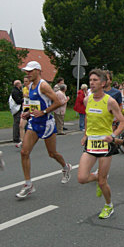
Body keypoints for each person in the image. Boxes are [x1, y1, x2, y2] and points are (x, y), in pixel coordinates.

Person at [16, 61, 72, 199]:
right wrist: (27, 112)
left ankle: (65, 166)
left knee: (52, 154)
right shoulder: (29, 86)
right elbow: (33, 103)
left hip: (46, 123)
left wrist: (44, 111)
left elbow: (58, 102)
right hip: (34, 123)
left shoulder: (44, 85)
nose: (27, 73)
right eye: (26, 71)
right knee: (24, 152)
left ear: (38, 71)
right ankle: (28, 185)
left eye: (30, 71)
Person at [78, 69, 124, 219]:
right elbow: (87, 117)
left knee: (102, 182)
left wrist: (112, 136)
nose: (91, 83)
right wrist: (86, 134)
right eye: (90, 80)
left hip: (105, 145)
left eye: (95, 80)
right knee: (81, 178)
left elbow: (123, 122)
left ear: (103, 83)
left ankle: (108, 205)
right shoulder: (87, 99)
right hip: (91, 143)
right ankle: (98, 175)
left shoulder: (110, 101)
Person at [17, 76, 30, 148]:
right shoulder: (24, 89)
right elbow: (24, 96)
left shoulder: (33, 89)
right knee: (21, 125)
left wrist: (28, 96)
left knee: (32, 128)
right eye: (24, 81)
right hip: (25, 109)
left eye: (26, 81)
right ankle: (23, 141)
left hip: (32, 109)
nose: (24, 83)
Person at [11, 80, 23, 144]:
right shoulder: (15, 91)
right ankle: (16, 137)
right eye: (20, 83)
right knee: (17, 122)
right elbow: (18, 100)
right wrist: (24, 99)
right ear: (18, 84)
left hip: (17, 109)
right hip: (17, 109)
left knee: (18, 122)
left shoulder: (17, 91)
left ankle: (17, 137)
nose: (21, 85)